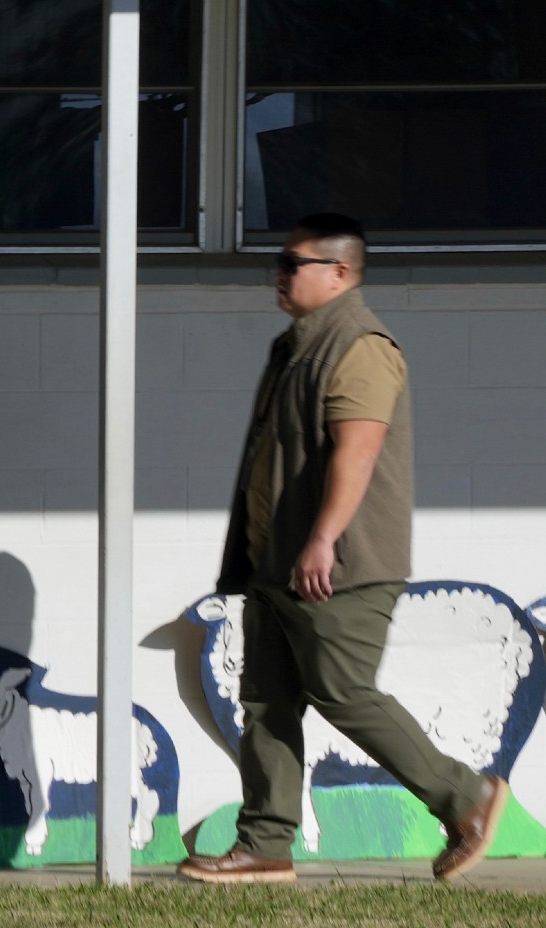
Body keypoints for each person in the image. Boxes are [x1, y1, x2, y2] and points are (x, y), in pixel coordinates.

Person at [178, 213, 507, 885]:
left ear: (337, 273)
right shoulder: (293, 345)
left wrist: (322, 538)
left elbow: (356, 451)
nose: (277, 273)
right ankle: (264, 843)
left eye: (289, 262)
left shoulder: (358, 344)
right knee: (266, 701)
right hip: (277, 563)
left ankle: (466, 798)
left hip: (337, 565)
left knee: (341, 690)